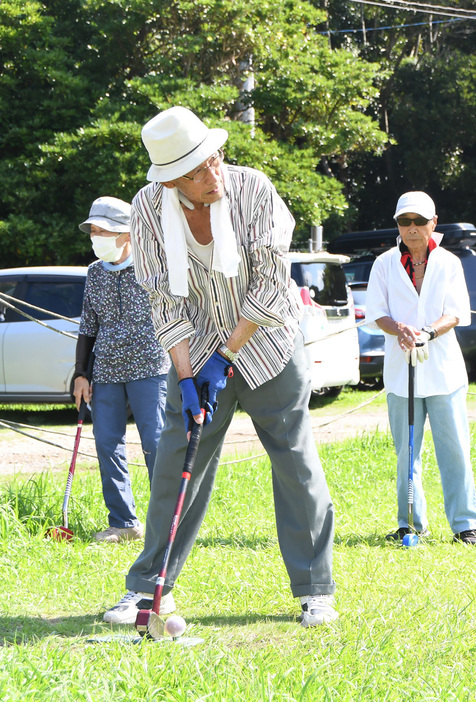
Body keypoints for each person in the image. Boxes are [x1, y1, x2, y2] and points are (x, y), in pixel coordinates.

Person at [103, 106, 337, 627]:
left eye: (216, 161)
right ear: (170, 180)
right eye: (197, 171)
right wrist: (187, 376)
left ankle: (315, 588)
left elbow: (273, 285)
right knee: (174, 465)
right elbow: (163, 301)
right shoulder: (147, 208)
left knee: (295, 462)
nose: (214, 176)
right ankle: (149, 591)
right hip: (197, 350)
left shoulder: (253, 190)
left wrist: (225, 358)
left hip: (268, 344)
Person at [365, 191, 476, 545]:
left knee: (456, 450)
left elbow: (457, 312)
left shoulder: (449, 262)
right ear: (398, 225)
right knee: (406, 452)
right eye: (405, 222)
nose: (412, 228)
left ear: (434, 223)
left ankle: (465, 526)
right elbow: (376, 313)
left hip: (444, 371)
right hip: (402, 374)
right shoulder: (384, 263)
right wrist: (399, 329)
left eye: (419, 221)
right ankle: (410, 524)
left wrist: (428, 331)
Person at [73, 196, 170, 543]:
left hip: (150, 367)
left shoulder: (152, 267)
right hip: (107, 371)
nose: (96, 237)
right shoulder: (95, 272)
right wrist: (80, 373)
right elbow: (88, 325)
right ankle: (124, 523)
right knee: (106, 443)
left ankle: (168, 523)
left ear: (127, 234)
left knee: (156, 443)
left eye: (104, 232)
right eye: (93, 232)